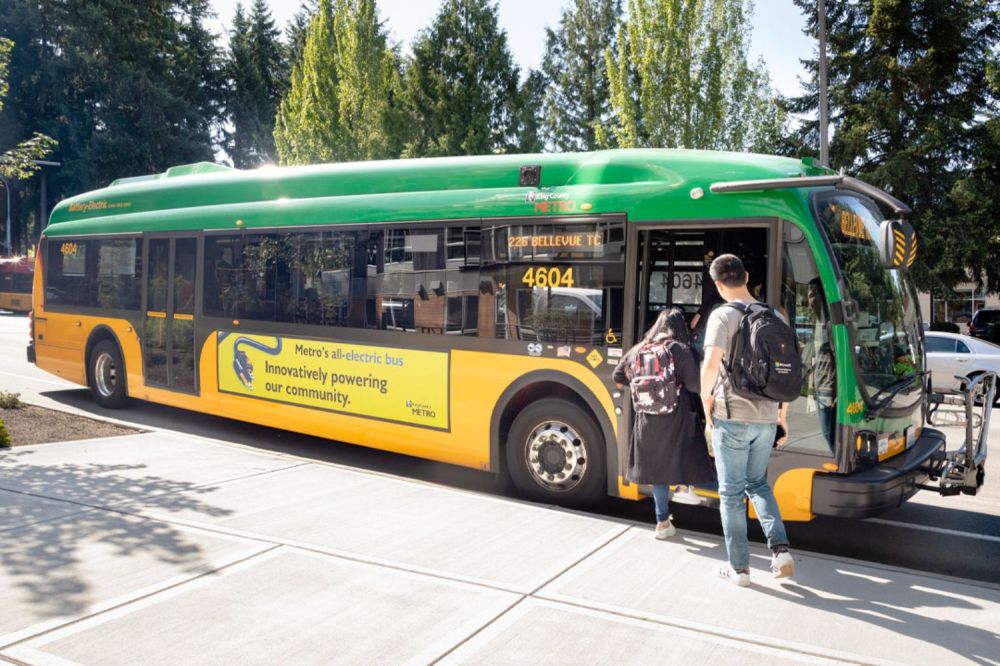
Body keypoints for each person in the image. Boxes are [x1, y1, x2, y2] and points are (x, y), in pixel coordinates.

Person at [700, 254, 795, 586]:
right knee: (758, 484)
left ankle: (739, 568)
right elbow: (784, 372)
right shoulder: (775, 315)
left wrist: (705, 403)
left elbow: (711, 366)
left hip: (733, 417)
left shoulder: (723, 316)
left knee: (730, 494)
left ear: (717, 284)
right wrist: (782, 415)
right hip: (767, 418)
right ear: (747, 275)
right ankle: (781, 550)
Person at [614, 308, 716, 539]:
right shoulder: (679, 350)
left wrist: (644, 386)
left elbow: (617, 376)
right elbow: (695, 386)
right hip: (676, 417)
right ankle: (687, 488)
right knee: (688, 453)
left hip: (647, 420)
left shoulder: (639, 349)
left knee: (659, 472)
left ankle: (662, 522)